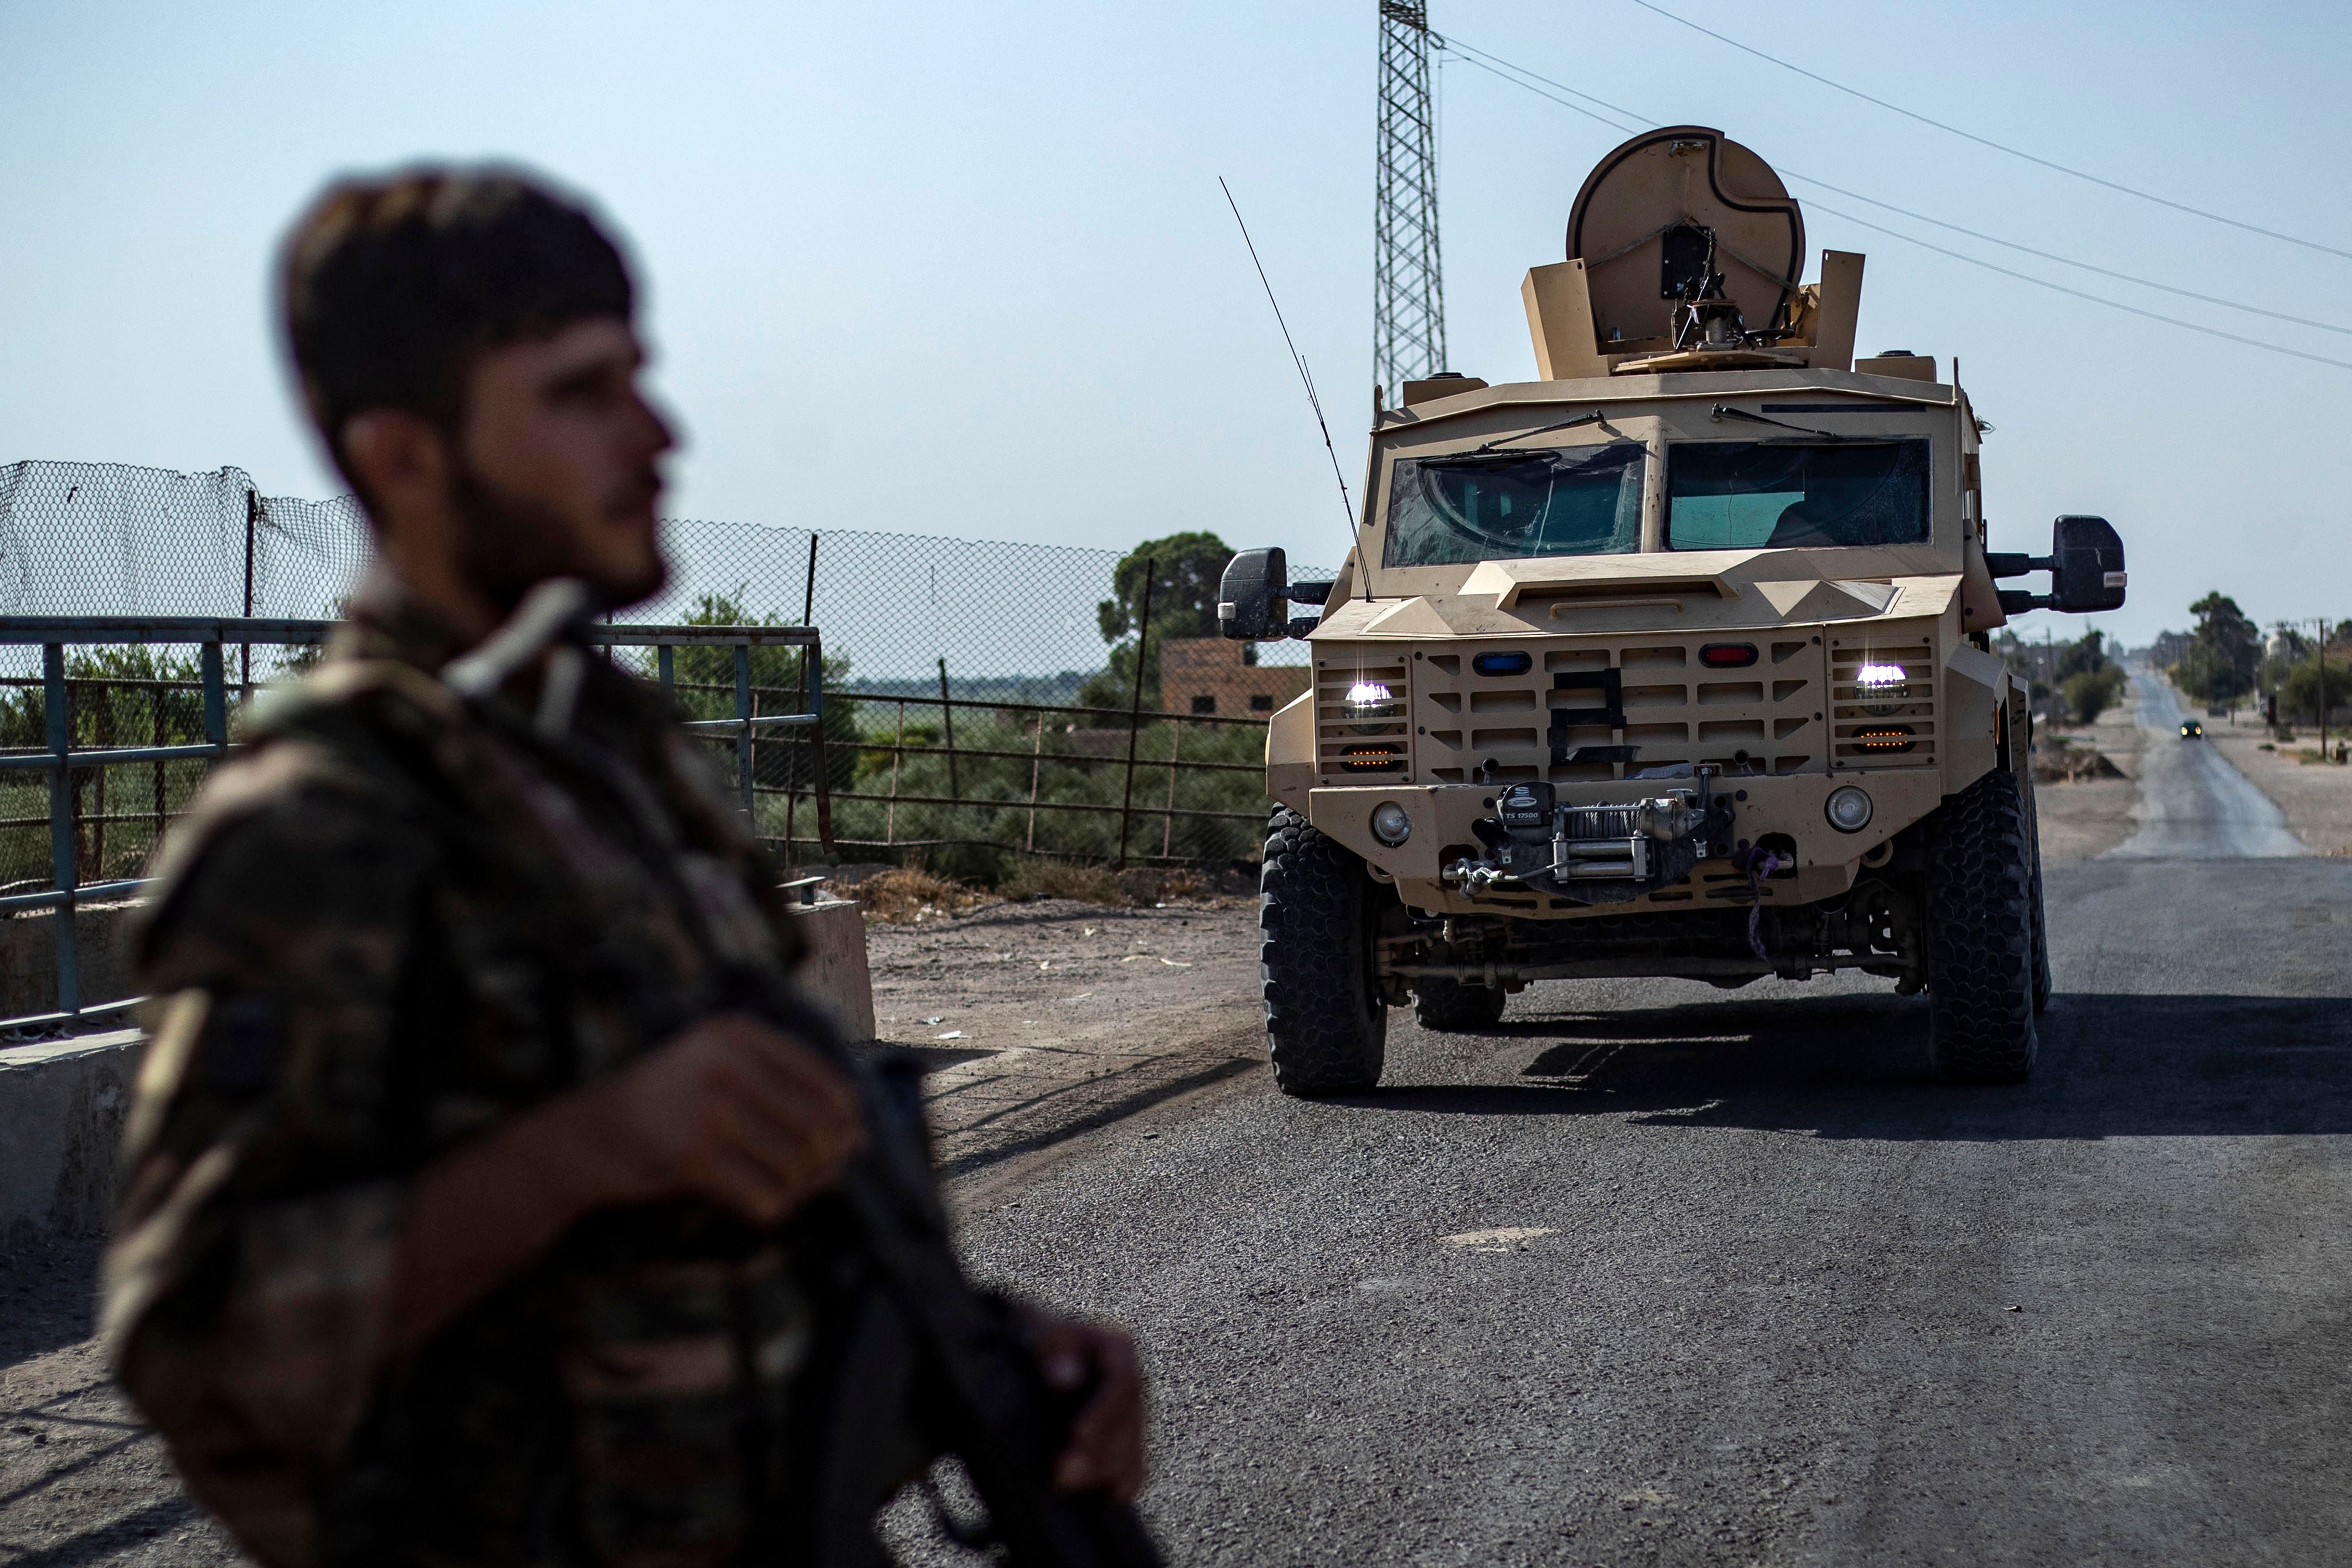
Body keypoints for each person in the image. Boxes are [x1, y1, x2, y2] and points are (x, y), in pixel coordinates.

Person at [104, 167, 1145, 1567]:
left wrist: (1005, 1356)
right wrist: (590, 1149)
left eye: (639, 377)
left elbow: (724, 1259)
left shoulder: (620, 763)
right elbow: (202, 1347)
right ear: (406, 460)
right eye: (581, 393)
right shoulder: (322, 821)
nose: (657, 434)